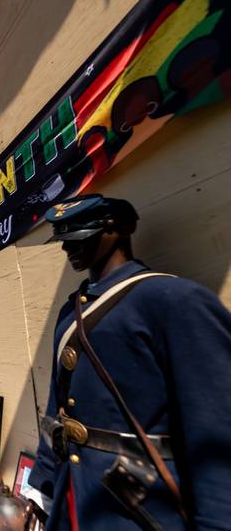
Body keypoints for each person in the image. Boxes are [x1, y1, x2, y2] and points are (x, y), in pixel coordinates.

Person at [28, 195, 231, 530]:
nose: (69, 250)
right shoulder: (70, 313)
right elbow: (58, 409)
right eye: (65, 241)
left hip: (138, 507)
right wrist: (45, 484)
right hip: (74, 496)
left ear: (115, 230)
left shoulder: (173, 301)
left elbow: (217, 430)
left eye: (81, 238)